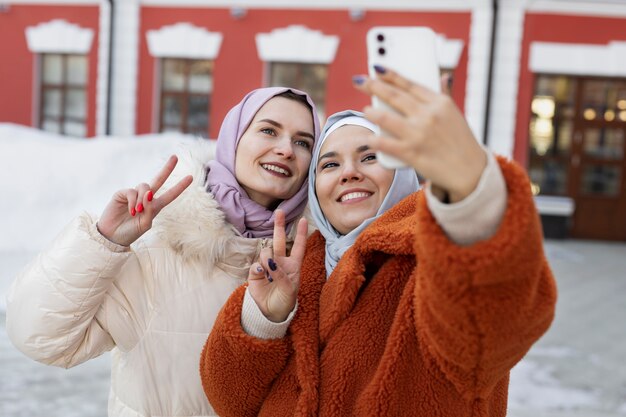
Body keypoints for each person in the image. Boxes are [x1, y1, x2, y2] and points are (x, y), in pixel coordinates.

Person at [200, 68, 557, 416]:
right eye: (329, 164)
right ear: (314, 187)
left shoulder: (433, 259)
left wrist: (469, 194)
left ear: (403, 171)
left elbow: (496, 321)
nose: (349, 172)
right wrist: (265, 320)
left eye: (370, 157)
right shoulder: (297, 267)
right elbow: (231, 402)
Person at [5, 87, 320, 417]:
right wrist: (103, 242)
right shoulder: (156, 246)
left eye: (303, 142)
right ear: (234, 138)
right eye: (269, 130)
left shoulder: (314, 260)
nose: (286, 149)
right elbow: (39, 337)